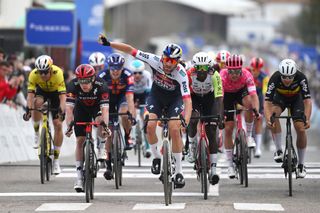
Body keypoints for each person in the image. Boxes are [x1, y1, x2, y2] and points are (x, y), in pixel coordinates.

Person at [98, 34, 192, 188]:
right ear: (162, 57)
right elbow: (130, 50)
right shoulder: (154, 60)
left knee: (175, 129)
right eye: (167, 59)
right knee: (149, 125)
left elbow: (187, 100)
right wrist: (109, 43)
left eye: (173, 61)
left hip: (175, 100)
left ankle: (179, 172)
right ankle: (156, 157)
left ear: (178, 61)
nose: (168, 64)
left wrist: (185, 121)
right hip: (156, 96)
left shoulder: (181, 74)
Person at [64, 64, 110, 192]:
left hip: (96, 108)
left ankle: (101, 147)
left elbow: (105, 110)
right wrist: (69, 126)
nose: (84, 84)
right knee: (80, 141)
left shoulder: (102, 85)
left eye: (87, 81)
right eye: (81, 81)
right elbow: (69, 109)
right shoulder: (73, 85)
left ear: (93, 79)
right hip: (81, 109)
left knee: (101, 121)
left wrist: (105, 127)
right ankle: (79, 176)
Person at [264, 59, 312, 178]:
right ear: (280, 74)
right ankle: (279, 150)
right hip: (280, 98)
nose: (287, 80)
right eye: (284, 77)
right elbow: (267, 102)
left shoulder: (301, 77)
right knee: (274, 116)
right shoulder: (275, 78)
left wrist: (307, 118)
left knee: (300, 129)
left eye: (290, 77)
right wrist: (268, 118)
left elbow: (307, 101)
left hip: (297, 100)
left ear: (295, 74)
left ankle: (301, 165)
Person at [23, 55, 66, 175]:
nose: (42, 75)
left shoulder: (58, 73)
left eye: (45, 72)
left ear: (51, 69)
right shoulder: (33, 74)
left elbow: (63, 96)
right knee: (36, 104)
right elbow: (30, 95)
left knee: (58, 125)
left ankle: (56, 161)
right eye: (40, 72)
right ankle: (37, 132)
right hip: (42, 92)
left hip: (56, 94)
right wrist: (28, 109)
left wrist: (62, 110)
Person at [186, 52, 224, 185]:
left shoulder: (215, 75)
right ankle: (192, 145)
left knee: (211, 131)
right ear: (194, 67)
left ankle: (213, 169)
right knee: (192, 119)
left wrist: (220, 116)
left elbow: (219, 98)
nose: (202, 71)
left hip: (210, 100)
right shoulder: (188, 74)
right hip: (194, 99)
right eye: (199, 68)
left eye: (205, 68)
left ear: (210, 67)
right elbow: (183, 95)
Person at [220, 54, 260, 178]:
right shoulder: (222, 76)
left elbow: (254, 95)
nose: (235, 75)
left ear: (241, 69)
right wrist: (221, 114)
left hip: (240, 92)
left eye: (237, 71)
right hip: (226, 95)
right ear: (227, 70)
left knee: (249, 104)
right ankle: (230, 165)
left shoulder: (247, 75)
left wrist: (256, 111)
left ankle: (248, 136)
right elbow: (219, 99)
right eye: (231, 71)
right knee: (228, 129)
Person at [98, 53, 136, 180]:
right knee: (109, 131)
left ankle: (127, 135)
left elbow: (130, 96)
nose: (115, 71)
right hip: (107, 99)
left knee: (125, 113)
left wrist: (132, 113)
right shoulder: (102, 76)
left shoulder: (128, 75)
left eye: (118, 68)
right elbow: (99, 97)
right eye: (113, 68)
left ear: (122, 67)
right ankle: (108, 165)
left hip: (122, 97)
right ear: (109, 67)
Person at [129, 59, 152, 158]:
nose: (137, 75)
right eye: (135, 73)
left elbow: (150, 91)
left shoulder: (147, 75)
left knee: (145, 118)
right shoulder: (129, 77)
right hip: (132, 94)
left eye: (139, 73)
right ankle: (132, 137)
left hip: (144, 94)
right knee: (131, 114)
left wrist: (146, 106)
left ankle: (147, 147)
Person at [247, 57, 269, 158]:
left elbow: (265, 93)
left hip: (259, 99)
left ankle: (258, 147)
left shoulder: (264, 77)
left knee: (258, 120)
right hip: (248, 97)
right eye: (253, 69)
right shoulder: (247, 73)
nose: (254, 71)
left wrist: (264, 107)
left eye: (257, 69)